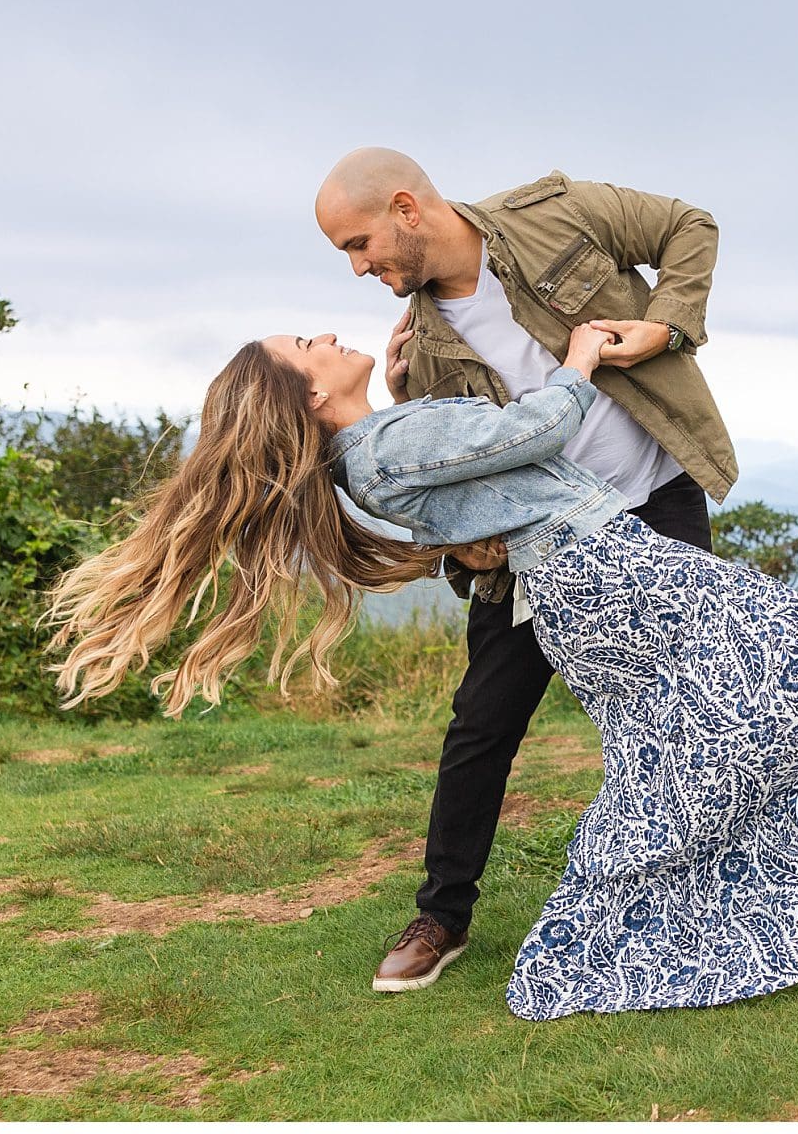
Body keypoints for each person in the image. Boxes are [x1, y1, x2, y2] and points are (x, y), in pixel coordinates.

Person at [46, 325, 798, 1021]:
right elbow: (532, 429)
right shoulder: (387, 445)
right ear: (313, 389)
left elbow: (473, 480)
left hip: (583, 579)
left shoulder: (377, 451)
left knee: (730, 702)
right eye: (305, 341)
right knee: (787, 648)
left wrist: (412, 391)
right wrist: (580, 358)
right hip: (605, 564)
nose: (324, 332)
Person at [312, 147, 737, 993]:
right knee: (482, 724)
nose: (361, 270)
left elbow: (689, 224)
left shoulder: (558, 212)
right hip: (533, 547)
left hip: (654, 499)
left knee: (686, 706)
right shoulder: (417, 346)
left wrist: (668, 322)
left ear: (406, 207)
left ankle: (698, 895)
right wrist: (458, 548)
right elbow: (436, 469)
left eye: (359, 244)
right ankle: (442, 915)